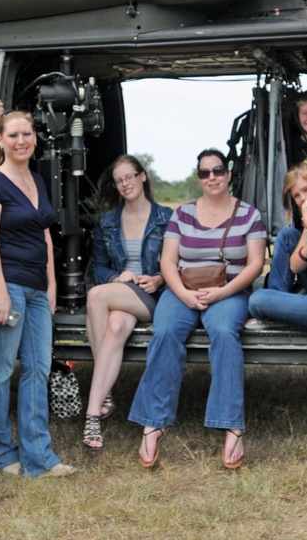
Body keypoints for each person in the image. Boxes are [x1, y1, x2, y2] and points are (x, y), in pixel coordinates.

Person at [128, 148, 266, 470]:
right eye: (205, 173)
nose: (212, 177)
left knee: (223, 333)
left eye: (218, 170)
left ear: (229, 174)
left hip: (230, 291)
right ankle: (154, 422)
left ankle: (232, 425)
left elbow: (256, 264)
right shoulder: (184, 214)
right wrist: (183, 294)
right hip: (182, 290)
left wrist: (221, 293)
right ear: (199, 178)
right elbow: (168, 261)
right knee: (164, 333)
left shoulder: (248, 214)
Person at [0, 110, 75, 477]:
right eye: (13, 134)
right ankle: (1, 454)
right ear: (0, 140)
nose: (21, 141)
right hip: (8, 286)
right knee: (0, 370)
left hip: (36, 289)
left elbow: (45, 235)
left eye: (27, 134)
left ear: (35, 138)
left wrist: (52, 285)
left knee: (39, 370)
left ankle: (40, 458)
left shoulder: (36, 179)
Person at [83, 155, 173, 450]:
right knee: (116, 326)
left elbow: (180, 262)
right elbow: (98, 267)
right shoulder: (108, 222)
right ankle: (98, 406)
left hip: (153, 296)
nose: (125, 184)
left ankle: (96, 402)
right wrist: (116, 275)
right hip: (123, 295)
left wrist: (158, 278)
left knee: (96, 295)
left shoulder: (166, 218)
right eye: (119, 180)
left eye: (129, 177)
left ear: (142, 177)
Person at [245, 159, 307, 335]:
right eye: (296, 196)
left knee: (257, 300)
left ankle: (273, 308)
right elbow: (295, 266)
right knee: (287, 235)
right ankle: (276, 302)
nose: (303, 199)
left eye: (306, 190)